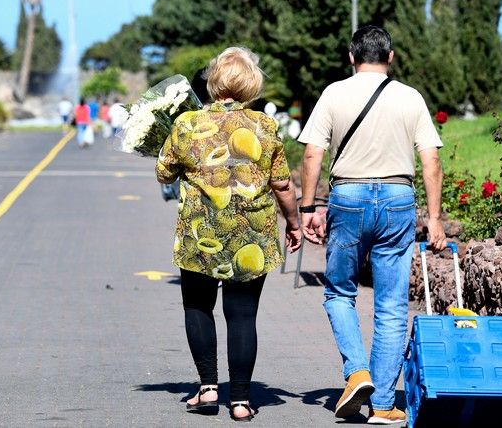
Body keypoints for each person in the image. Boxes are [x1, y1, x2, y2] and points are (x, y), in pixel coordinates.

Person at [298, 25, 446, 425]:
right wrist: (433, 219)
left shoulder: (334, 93)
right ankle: (382, 404)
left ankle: (357, 372)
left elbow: (313, 154)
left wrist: (309, 206)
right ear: (391, 57)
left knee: (339, 292)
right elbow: (431, 159)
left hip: (347, 198)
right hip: (399, 200)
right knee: (392, 304)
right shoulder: (410, 97)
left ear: (351, 56)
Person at [155, 46, 302, 422]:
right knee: (242, 316)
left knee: (198, 307)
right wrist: (294, 222)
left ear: (213, 82)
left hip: (200, 230)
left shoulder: (186, 123)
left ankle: (207, 390)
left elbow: (164, 173)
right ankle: (239, 400)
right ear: (252, 84)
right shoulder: (265, 126)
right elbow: (282, 183)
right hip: (251, 232)